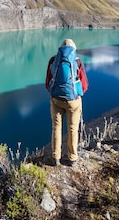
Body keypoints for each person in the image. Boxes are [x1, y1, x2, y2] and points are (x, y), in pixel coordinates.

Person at [45, 38, 89, 167]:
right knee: (73, 129)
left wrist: (55, 93)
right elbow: (84, 85)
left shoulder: (53, 60)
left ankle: (55, 157)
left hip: (56, 99)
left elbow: (48, 83)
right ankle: (72, 158)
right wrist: (77, 94)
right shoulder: (78, 61)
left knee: (56, 128)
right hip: (73, 101)